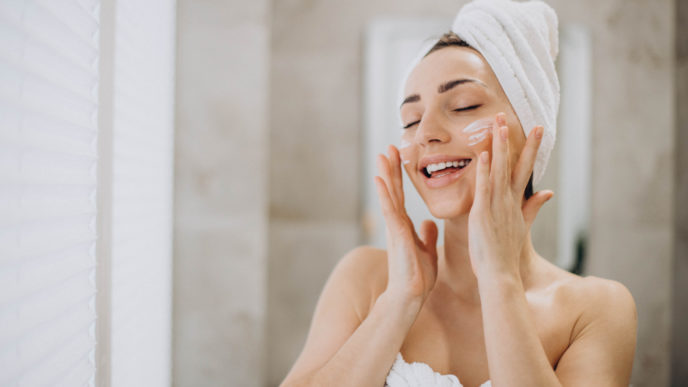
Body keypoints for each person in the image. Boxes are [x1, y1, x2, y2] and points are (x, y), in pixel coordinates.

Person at [281, 1, 637, 386]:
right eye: (411, 119)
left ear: (533, 129)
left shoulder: (595, 309)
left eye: (464, 105)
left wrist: (500, 281)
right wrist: (400, 299)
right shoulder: (366, 279)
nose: (425, 132)